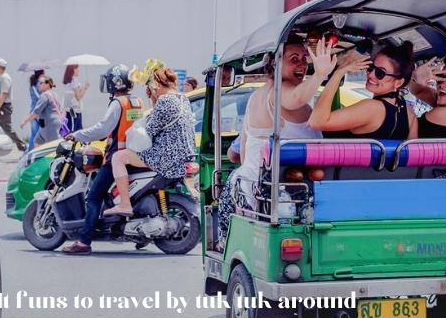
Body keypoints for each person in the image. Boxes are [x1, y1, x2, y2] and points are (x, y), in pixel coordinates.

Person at [217, 37, 332, 246]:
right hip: (269, 198)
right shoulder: (279, 92)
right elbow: (296, 98)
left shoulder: (257, 96)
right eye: (293, 58)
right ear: (275, 64)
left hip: (253, 189)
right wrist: (320, 74)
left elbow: (242, 148)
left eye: (304, 58)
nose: (302, 64)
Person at [61, 65, 144, 255]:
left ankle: (83, 242)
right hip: (135, 153)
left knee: (94, 196)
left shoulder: (118, 103)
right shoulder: (137, 101)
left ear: (115, 82)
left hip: (117, 156)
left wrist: (78, 135)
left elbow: (103, 128)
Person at [105, 67, 196, 216]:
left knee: (118, 157)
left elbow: (149, 130)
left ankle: (125, 205)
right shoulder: (183, 98)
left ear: (157, 85)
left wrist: (153, 100)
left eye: (150, 87)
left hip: (166, 157)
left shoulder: (165, 100)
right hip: (185, 155)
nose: (150, 91)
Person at [310, 41, 418, 140]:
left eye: (380, 73)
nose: (370, 75)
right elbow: (410, 155)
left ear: (398, 82)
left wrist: (338, 73)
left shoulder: (371, 107)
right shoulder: (409, 114)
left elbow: (316, 122)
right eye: (371, 67)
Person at [0, 58, 26, 151]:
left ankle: (23, 145)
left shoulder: (5, 77)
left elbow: (4, 94)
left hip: (4, 107)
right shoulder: (0, 77)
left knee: (8, 129)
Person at [19, 76, 64, 146]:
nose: (38, 84)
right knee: (37, 142)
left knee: (53, 147)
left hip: (49, 125)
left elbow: (36, 112)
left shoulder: (44, 95)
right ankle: (39, 157)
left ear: (47, 84)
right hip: (52, 124)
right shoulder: (54, 94)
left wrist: (24, 121)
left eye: (41, 83)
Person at [62, 64, 89, 132]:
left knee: (69, 126)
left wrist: (83, 87)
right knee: (77, 128)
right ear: (73, 70)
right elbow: (78, 96)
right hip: (75, 109)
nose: (78, 70)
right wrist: (85, 88)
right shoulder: (74, 80)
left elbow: (73, 94)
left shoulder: (68, 81)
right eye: (77, 69)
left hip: (69, 108)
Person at [27, 70, 44, 152]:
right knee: (36, 135)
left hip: (33, 112)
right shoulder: (38, 85)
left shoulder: (32, 84)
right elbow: (40, 98)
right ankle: (31, 153)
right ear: (41, 75)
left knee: (34, 134)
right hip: (37, 113)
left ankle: (30, 152)